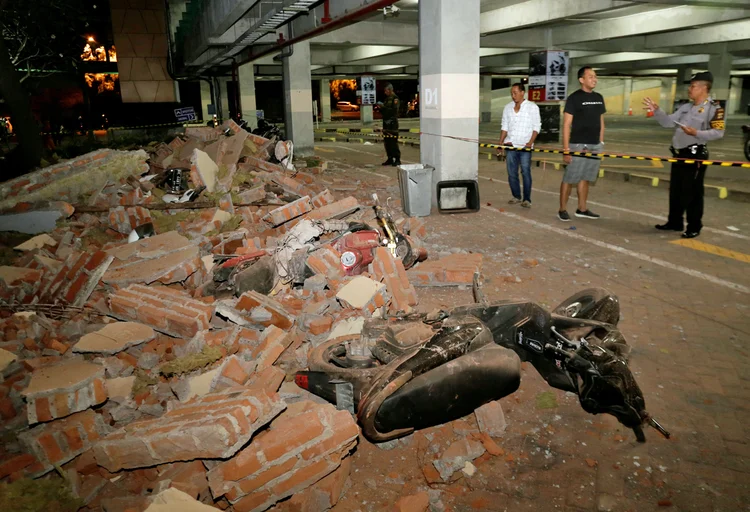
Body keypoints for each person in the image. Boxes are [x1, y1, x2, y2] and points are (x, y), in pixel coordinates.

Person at [642, 71, 725, 239]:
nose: (689, 89)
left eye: (693, 86)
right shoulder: (686, 107)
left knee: (693, 192)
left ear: (704, 88)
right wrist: (657, 111)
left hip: (695, 155)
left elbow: (718, 132)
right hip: (679, 154)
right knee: (676, 190)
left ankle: (694, 226)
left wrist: (697, 133)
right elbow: (667, 122)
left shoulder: (714, 108)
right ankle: (675, 222)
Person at [558, 66, 606, 221]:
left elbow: (601, 121)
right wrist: (566, 149)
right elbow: (566, 124)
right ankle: (562, 209)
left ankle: (582, 208)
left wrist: (601, 141)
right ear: (581, 80)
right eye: (590, 76)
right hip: (578, 145)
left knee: (586, 177)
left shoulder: (599, 97)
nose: (594, 79)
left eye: (595, 76)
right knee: (570, 178)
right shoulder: (574, 98)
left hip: (595, 145)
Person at [497, 83, 541, 208]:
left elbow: (536, 127)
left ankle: (527, 199)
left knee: (525, 172)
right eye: (511, 93)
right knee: (512, 173)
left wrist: (530, 142)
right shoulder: (507, 108)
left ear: (523, 92)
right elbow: (504, 126)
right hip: (510, 145)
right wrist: (500, 142)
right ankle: (516, 196)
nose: (513, 95)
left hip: (525, 146)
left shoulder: (532, 107)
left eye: (515, 93)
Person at [378, 83, 401, 166]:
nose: (385, 92)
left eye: (386, 91)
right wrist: (380, 107)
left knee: (393, 142)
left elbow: (393, 111)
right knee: (387, 142)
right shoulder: (387, 99)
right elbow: (384, 112)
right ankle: (390, 158)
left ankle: (397, 159)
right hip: (386, 123)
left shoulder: (395, 99)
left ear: (390, 90)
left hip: (392, 123)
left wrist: (383, 107)